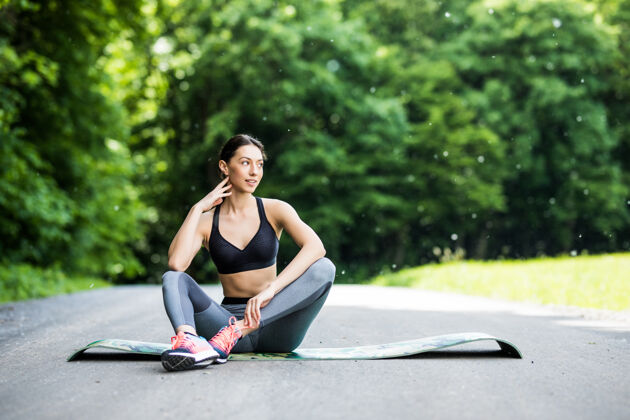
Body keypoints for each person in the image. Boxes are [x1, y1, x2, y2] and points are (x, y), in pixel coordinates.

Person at [160, 134, 336, 371]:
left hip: (276, 327)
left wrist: (271, 290)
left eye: (260, 164)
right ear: (224, 166)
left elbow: (316, 247)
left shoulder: (275, 210)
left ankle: (240, 329)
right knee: (172, 278)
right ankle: (189, 341)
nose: (254, 171)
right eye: (245, 163)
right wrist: (198, 208)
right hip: (224, 327)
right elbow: (177, 264)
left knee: (325, 267)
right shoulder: (205, 222)